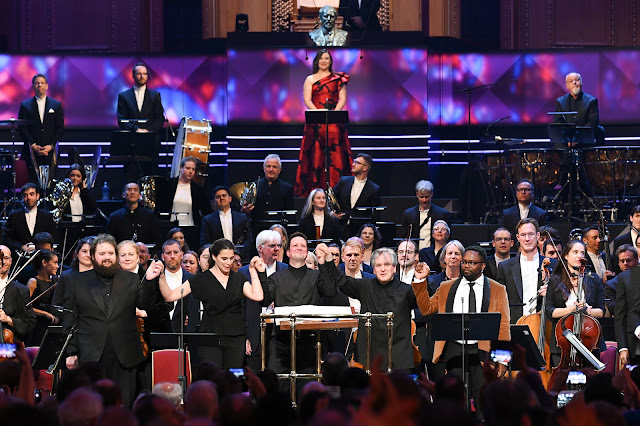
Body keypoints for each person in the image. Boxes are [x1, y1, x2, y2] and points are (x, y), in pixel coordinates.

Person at [412, 245, 511, 406]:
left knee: (482, 402)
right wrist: (420, 280)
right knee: (454, 402)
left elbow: (504, 326)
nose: (466, 266)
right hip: (454, 350)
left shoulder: (497, 289)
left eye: (472, 263)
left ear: (483, 265)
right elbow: (427, 309)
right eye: (464, 262)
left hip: (482, 351)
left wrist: (503, 359)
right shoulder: (446, 287)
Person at [146, 238, 265, 369]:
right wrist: (162, 276)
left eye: (231, 258)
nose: (229, 263)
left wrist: (253, 271)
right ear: (214, 257)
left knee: (232, 380)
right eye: (224, 259)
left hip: (236, 338)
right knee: (212, 378)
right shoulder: (200, 279)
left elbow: (258, 296)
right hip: (210, 338)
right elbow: (170, 296)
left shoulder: (238, 278)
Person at [63, 234, 152, 407]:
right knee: (93, 407)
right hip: (91, 355)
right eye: (102, 254)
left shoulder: (131, 279)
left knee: (123, 406)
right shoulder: (76, 281)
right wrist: (71, 351)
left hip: (125, 356)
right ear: (93, 256)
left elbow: (146, 305)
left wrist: (150, 281)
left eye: (110, 253)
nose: (107, 258)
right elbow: (70, 318)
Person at [318, 245, 420, 371]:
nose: (382, 269)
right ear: (373, 270)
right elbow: (341, 281)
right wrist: (328, 260)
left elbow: (421, 304)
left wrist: (420, 280)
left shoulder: (406, 290)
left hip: (399, 360)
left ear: (394, 268)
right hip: (370, 358)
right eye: (378, 265)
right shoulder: (365, 286)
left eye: (387, 264)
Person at [258, 232, 336, 382]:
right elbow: (265, 300)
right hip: (281, 343)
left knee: (307, 389)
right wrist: (261, 274)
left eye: (303, 246)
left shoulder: (316, 275)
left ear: (307, 253)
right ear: (287, 253)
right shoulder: (276, 277)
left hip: (309, 341)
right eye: (295, 245)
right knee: (279, 388)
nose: (299, 248)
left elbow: (330, 291)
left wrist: (323, 264)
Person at [295, 50, 352, 197]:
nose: (324, 61)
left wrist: (333, 115)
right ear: (317, 61)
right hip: (315, 123)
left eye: (327, 58)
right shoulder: (310, 79)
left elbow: (342, 99)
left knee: (336, 157)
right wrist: (318, 114)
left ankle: (337, 190)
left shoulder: (338, 79)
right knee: (316, 156)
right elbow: (307, 100)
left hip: (334, 123)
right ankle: (314, 191)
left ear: (331, 61)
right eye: (321, 58)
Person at [545, 240, 605, 366]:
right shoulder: (555, 280)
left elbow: (601, 311)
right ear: (566, 255)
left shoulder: (594, 280)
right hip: (562, 341)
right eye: (575, 252)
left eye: (582, 253)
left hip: (589, 340)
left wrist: (587, 310)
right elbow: (549, 311)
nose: (579, 256)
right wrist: (572, 309)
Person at [240, 229, 288, 372]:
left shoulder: (286, 271)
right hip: (254, 332)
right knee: (254, 377)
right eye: (272, 246)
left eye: (279, 246)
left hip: (280, 333)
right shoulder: (244, 273)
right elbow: (241, 307)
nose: (277, 249)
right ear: (260, 248)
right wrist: (244, 337)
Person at [496, 218, 558, 322]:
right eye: (523, 235)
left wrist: (551, 293)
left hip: (544, 325)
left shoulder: (554, 264)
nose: (527, 239)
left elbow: (562, 298)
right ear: (518, 237)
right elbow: (499, 301)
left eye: (531, 234)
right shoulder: (505, 267)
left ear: (537, 236)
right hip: (515, 326)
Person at [158, 157, 212, 249]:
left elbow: (207, 210)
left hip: (191, 229)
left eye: (193, 169)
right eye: (188, 168)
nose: (191, 171)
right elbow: (160, 206)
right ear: (180, 168)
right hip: (170, 227)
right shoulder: (168, 185)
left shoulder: (198, 189)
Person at [17, 73, 64, 177]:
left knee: (51, 181)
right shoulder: (25, 105)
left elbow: (60, 128)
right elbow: (22, 127)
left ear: (46, 86)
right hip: (31, 151)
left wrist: (50, 146)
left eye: (42, 83)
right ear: (33, 86)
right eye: (37, 83)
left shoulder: (56, 105)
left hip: (50, 152)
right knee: (31, 180)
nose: (39, 85)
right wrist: (33, 145)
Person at [241, 154, 294, 237]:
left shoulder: (287, 188)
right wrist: (244, 210)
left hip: (278, 232)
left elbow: (290, 215)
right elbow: (243, 210)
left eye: (274, 167)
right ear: (264, 168)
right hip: (256, 231)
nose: (271, 169)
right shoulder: (254, 185)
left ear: (280, 170)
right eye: (268, 166)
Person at [105, 181, 162, 249]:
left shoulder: (149, 215)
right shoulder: (115, 217)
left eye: (135, 190)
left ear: (139, 195)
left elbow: (157, 240)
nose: (132, 192)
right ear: (123, 195)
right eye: (129, 190)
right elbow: (109, 242)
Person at [4, 183, 58, 253]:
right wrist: (21, 246)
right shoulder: (14, 216)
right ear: (22, 197)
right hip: (20, 258)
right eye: (25, 195)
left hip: (41, 257)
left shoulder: (47, 216)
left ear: (37, 196)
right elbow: (6, 239)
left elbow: (53, 238)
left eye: (31, 194)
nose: (29, 198)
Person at [201, 186, 252, 260]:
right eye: (218, 197)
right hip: (218, 260)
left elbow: (248, 240)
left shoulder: (242, 217)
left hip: (239, 259)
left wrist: (238, 254)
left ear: (230, 199)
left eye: (224, 195)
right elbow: (205, 242)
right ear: (214, 201)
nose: (221, 198)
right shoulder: (207, 220)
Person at [554, 72, 605, 145]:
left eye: (577, 80)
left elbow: (593, 122)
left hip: (585, 139)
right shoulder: (560, 102)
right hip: (566, 140)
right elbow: (558, 123)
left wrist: (577, 140)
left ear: (581, 83)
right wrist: (567, 140)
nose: (574, 83)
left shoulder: (591, 101)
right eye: (571, 81)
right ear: (567, 85)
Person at [333, 153, 381, 227]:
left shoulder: (374, 189)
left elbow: (374, 214)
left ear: (365, 168)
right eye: (354, 161)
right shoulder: (343, 181)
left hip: (360, 229)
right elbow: (332, 198)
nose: (353, 164)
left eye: (357, 163)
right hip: (341, 226)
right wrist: (333, 213)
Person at [401, 180, 451, 250]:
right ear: (417, 195)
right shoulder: (409, 214)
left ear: (432, 194)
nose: (424, 200)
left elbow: (448, 237)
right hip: (415, 253)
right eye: (421, 197)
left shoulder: (442, 214)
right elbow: (404, 238)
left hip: (435, 253)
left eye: (427, 197)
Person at [116, 62, 165, 133]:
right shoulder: (124, 96)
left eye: (145, 74)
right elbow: (121, 119)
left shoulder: (155, 95)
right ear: (133, 75)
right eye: (139, 73)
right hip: (130, 138)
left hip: (150, 138)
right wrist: (136, 129)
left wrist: (147, 130)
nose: (142, 76)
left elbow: (159, 118)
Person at [0, 245, 35, 343]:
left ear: (11, 261)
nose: (2, 262)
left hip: (8, 346)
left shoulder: (21, 290)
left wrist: (8, 319)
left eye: (6, 258)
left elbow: (30, 323)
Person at [26, 249, 59, 346]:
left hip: (52, 326)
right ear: (44, 262)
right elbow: (25, 306)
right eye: (55, 263)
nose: (57, 266)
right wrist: (44, 313)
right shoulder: (33, 282)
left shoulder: (55, 281)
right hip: (38, 328)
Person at [615, 245, 640, 366]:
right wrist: (623, 347)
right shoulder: (624, 278)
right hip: (635, 344)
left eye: (628, 260)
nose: (625, 263)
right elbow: (620, 315)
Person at [606, 244, 638, 318]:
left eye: (628, 260)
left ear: (637, 260)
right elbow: (614, 309)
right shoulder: (611, 285)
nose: (625, 264)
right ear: (619, 263)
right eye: (622, 261)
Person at [613, 206, 640, 273]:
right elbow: (616, 265)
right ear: (631, 218)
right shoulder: (620, 241)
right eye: (637, 216)